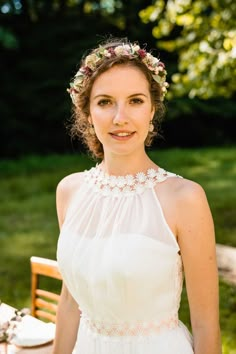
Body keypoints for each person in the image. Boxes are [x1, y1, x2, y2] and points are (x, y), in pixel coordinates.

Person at [53, 38, 221, 354]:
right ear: (87, 111)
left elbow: (206, 324)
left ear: (152, 109)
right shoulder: (69, 192)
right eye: (105, 102)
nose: (120, 118)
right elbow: (69, 303)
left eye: (135, 101)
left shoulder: (185, 198)